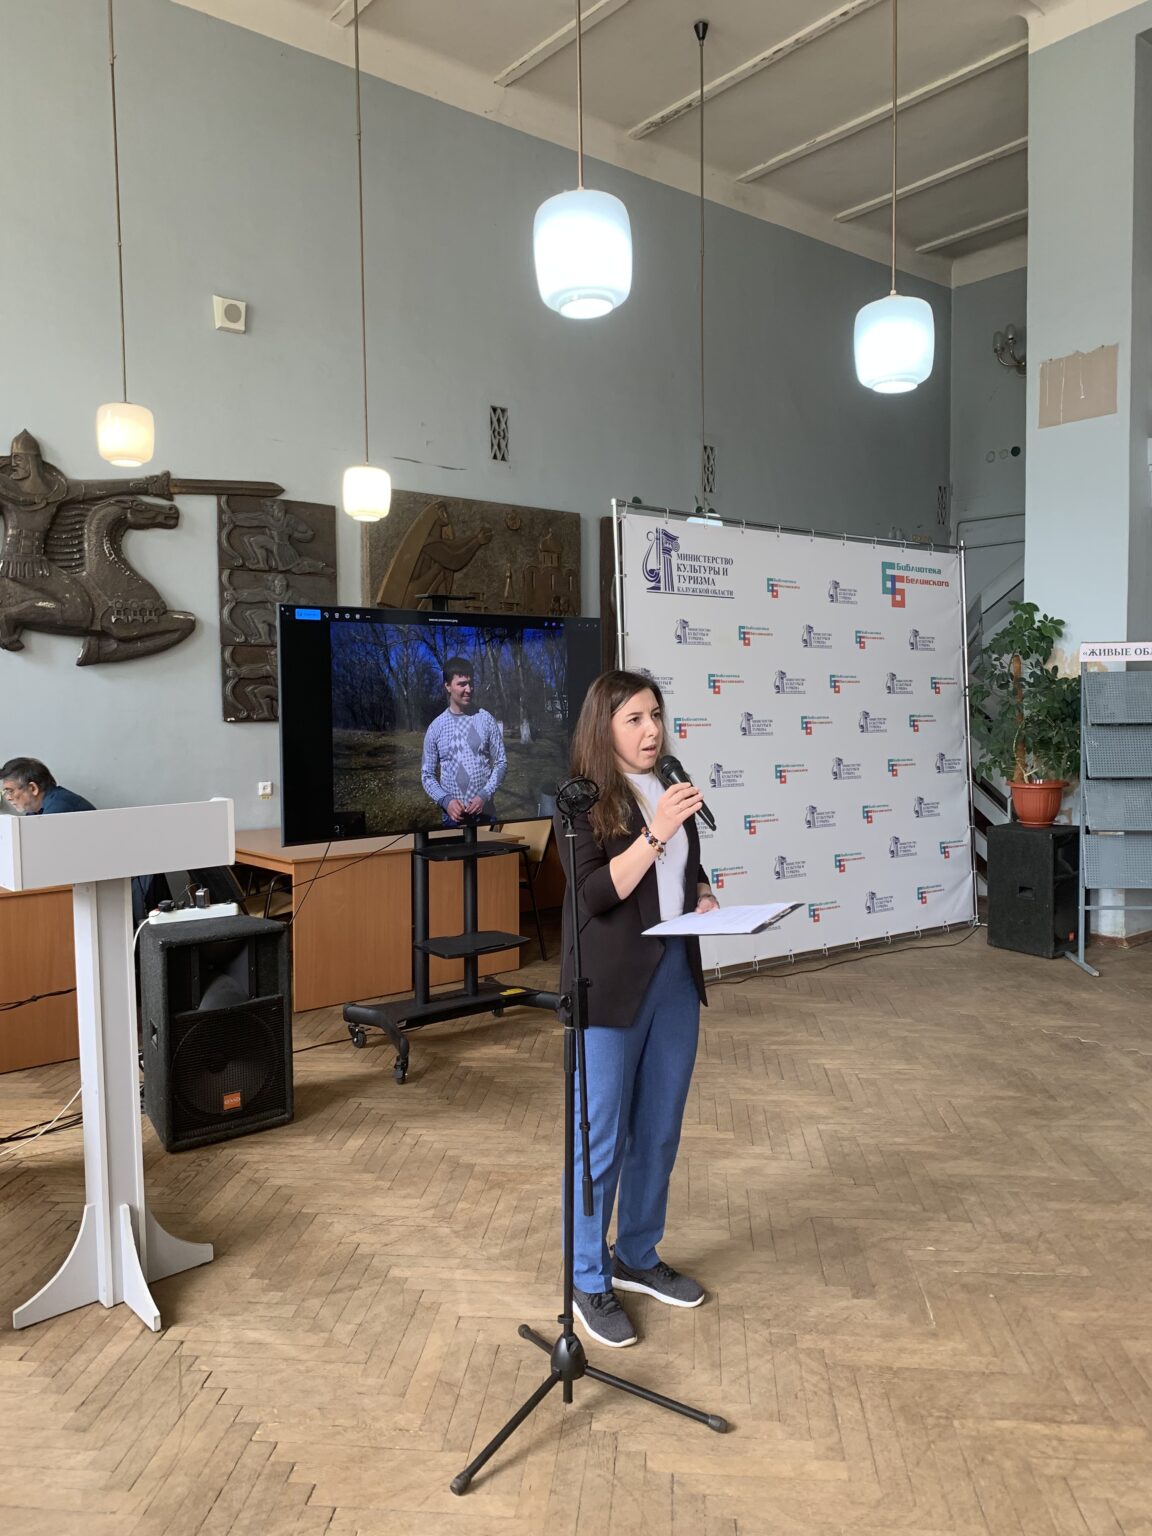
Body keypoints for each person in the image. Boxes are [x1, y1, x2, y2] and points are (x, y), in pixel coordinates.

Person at [556, 669, 719, 1349]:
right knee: (599, 1137)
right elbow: (595, 894)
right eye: (635, 719)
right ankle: (587, 1277)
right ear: (605, 728)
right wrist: (654, 832)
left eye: (656, 715)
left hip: (675, 975)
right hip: (610, 985)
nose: (652, 730)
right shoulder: (582, 800)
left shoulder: (669, 785)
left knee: (658, 1129)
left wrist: (703, 893)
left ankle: (637, 1255)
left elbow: (684, 868)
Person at [420, 656, 507, 827]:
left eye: (471, 683)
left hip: (485, 815)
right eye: (462, 684)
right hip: (452, 819)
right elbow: (427, 775)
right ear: (447, 686)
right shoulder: (436, 727)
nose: (469, 689)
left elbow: (501, 762)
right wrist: (446, 801)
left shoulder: (486, 719)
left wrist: (484, 795)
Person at [0, 757, 94, 815]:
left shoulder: (59, 806)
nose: (8, 797)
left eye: (10, 791)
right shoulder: (34, 810)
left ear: (33, 788)